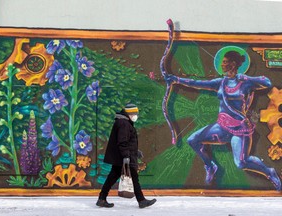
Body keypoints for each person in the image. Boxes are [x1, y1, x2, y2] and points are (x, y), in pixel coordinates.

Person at [166, 50, 282, 191]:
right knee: (192, 140)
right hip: (221, 127)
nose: (222, 64)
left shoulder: (245, 83)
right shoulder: (220, 82)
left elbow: (267, 82)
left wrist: (246, 78)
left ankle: (270, 172)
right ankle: (210, 166)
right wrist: (176, 80)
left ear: (233, 64)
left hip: (239, 130)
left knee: (241, 163)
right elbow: (197, 83)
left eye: (225, 62)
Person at [96, 103, 157, 208]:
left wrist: (135, 152)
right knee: (134, 177)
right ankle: (141, 200)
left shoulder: (124, 122)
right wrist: (126, 156)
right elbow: (122, 142)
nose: (136, 115)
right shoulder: (123, 124)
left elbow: (126, 141)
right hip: (124, 157)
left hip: (122, 156)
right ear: (129, 113)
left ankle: (102, 198)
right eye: (134, 113)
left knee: (113, 177)